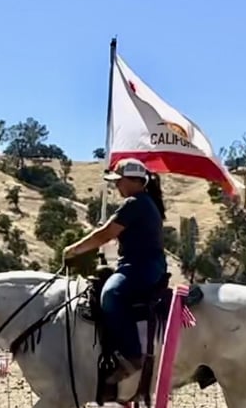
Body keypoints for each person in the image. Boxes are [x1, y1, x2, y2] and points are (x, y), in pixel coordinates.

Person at [63, 158, 168, 384]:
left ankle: (132, 356)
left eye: (119, 180)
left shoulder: (135, 203)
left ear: (133, 180)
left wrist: (74, 250)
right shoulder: (144, 202)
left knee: (111, 294)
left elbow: (105, 234)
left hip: (140, 267)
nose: (116, 185)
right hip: (143, 265)